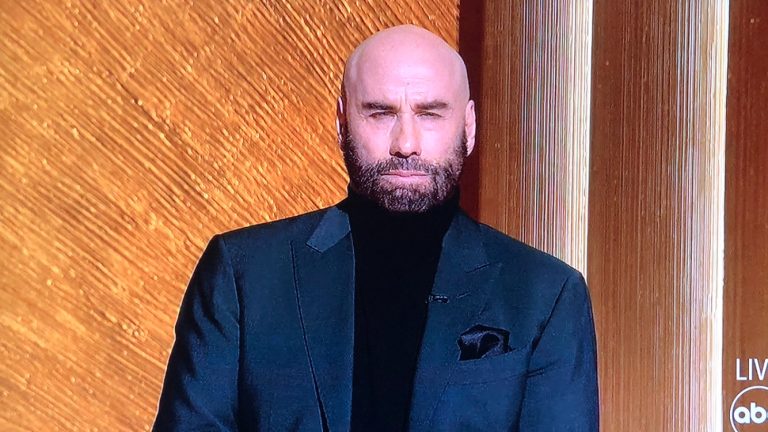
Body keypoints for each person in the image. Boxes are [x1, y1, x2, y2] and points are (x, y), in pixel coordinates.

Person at [153, 24, 599, 431]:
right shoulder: (244, 274)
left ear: (468, 125)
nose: (405, 143)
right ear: (341, 122)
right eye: (381, 112)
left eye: (430, 113)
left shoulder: (544, 294)